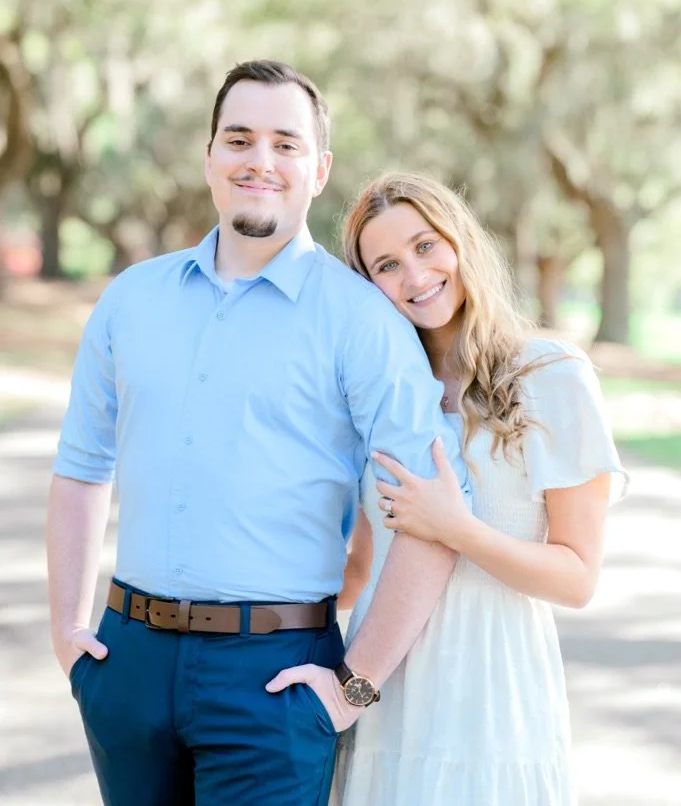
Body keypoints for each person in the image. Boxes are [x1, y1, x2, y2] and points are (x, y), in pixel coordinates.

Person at [46, 62, 473, 806]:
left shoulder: (363, 322)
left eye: (286, 144)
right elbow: (83, 467)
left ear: (318, 169)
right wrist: (67, 635)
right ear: (209, 155)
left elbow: (436, 516)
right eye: (239, 139)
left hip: (275, 677)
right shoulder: (130, 300)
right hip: (127, 662)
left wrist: (353, 689)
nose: (260, 162)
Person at [332, 172, 628, 806]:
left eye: (425, 246)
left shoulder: (551, 375)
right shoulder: (375, 396)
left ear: (460, 241)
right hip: (383, 685)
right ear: (366, 287)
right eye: (386, 264)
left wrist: (457, 529)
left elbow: (577, 577)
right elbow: (360, 564)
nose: (414, 276)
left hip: (491, 692)